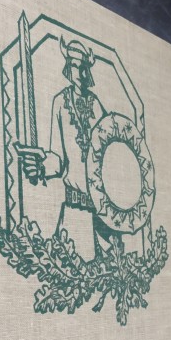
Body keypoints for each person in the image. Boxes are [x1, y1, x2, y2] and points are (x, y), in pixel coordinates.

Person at [20, 37, 107, 261]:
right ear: (68, 67)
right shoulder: (60, 102)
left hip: (102, 213)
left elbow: (110, 153)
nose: (79, 72)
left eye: (83, 67)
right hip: (76, 210)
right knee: (75, 263)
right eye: (74, 65)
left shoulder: (97, 106)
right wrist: (40, 167)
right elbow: (58, 159)